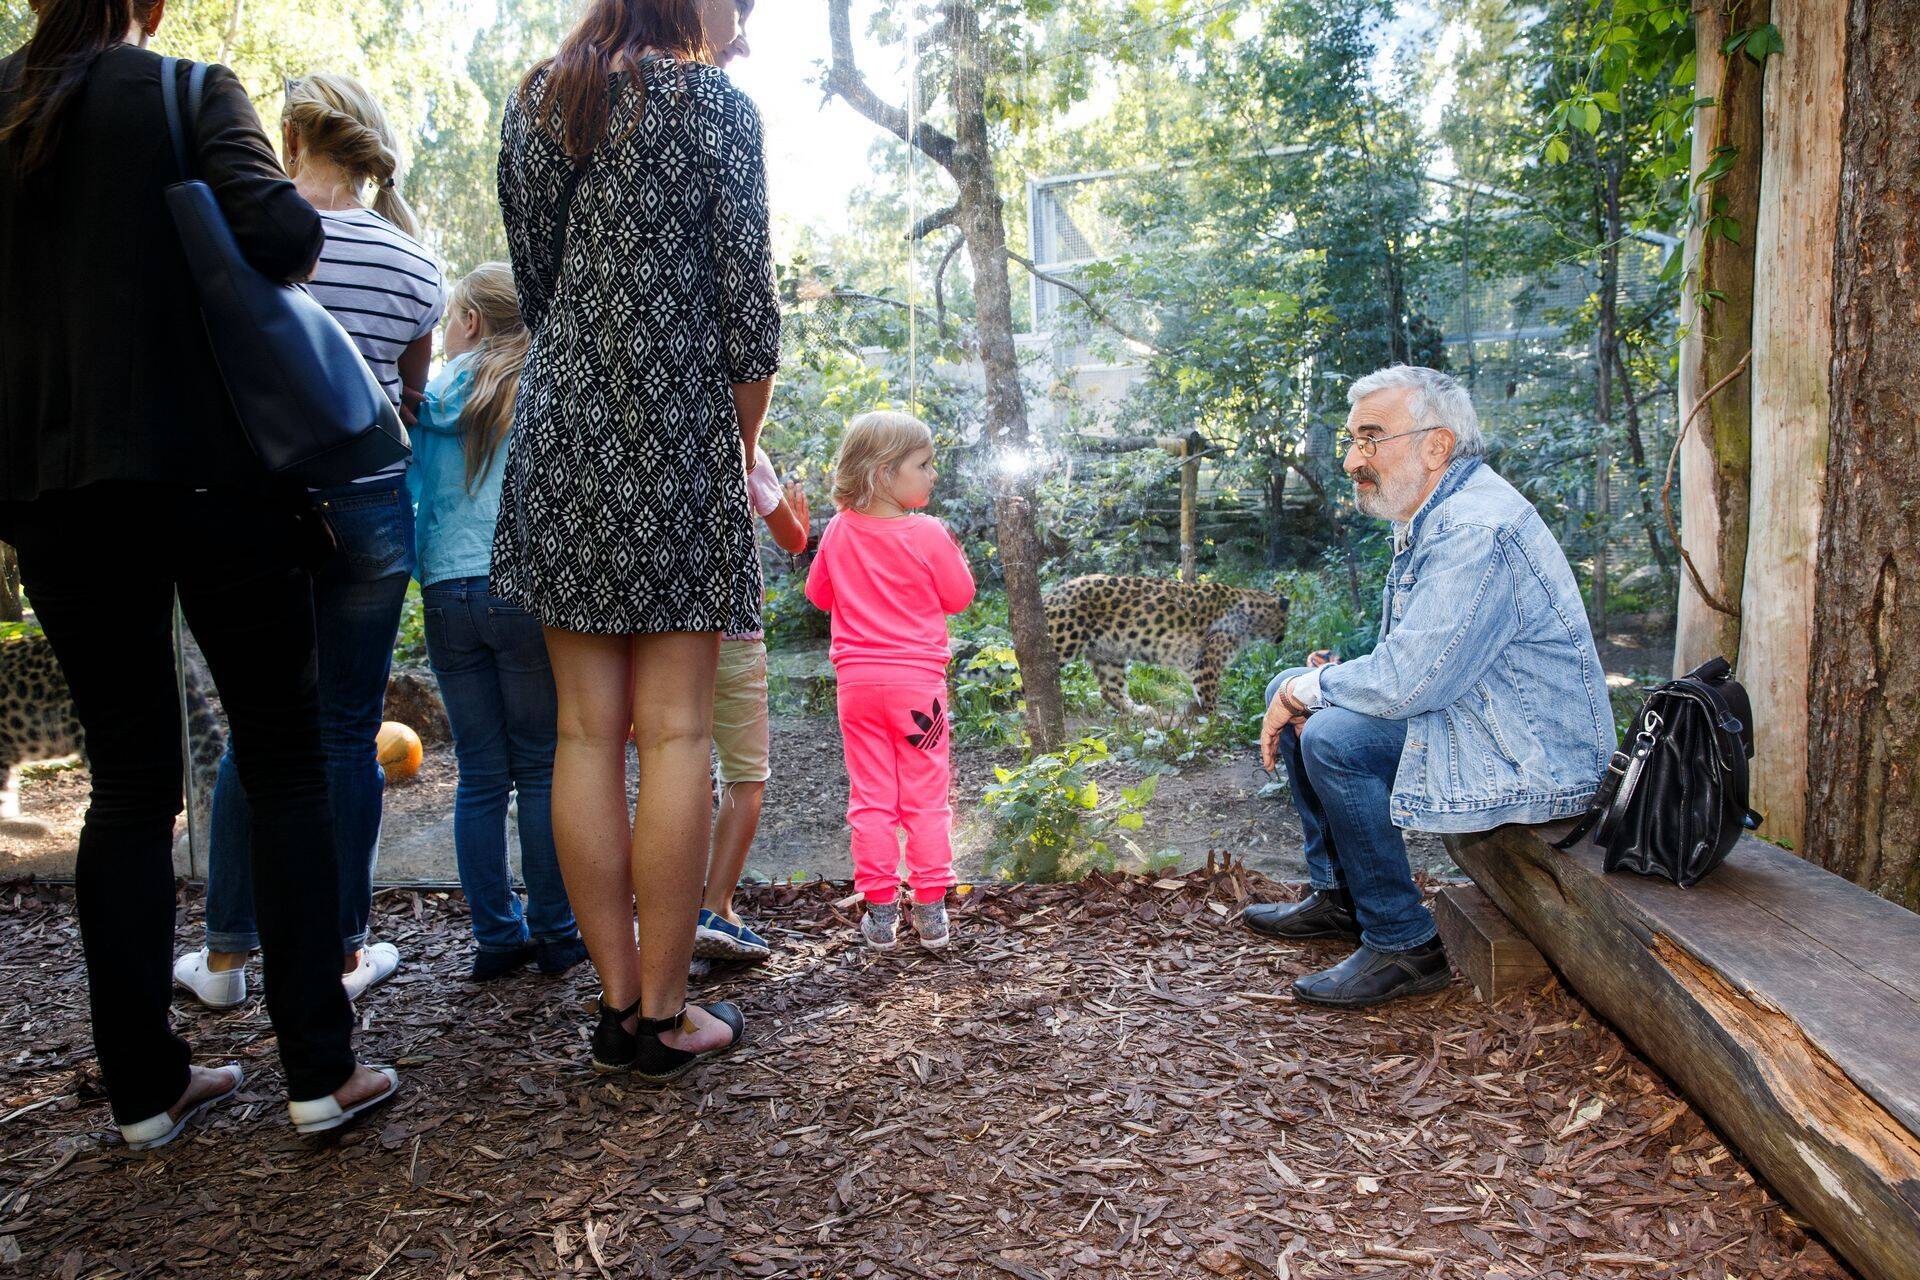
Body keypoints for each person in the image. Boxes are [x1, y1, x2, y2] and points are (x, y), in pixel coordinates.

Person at [0, 0, 395, 1146]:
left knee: (126, 786)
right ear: (151, 2)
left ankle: (143, 1089)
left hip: (54, 490)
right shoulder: (184, 92)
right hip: (218, 480)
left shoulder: (9, 106)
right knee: (281, 757)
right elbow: (286, 239)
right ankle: (319, 1069)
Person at [491, 0, 778, 1078]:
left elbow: (539, 287)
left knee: (581, 735)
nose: (737, 14)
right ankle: (664, 1013)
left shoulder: (540, 99)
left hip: (566, 435)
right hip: (680, 438)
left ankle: (615, 1008)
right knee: (674, 736)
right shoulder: (718, 109)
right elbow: (750, 325)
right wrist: (724, 447)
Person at [174, 72, 446, 1010]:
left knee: (262, 722)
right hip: (367, 511)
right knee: (345, 729)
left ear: (288, 137)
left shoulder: (241, 235)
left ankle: (223, 959)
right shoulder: (418, 269)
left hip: (255, 502)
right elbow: (410, 406)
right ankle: (340, 950)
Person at [1244, 365, 1613, 1007]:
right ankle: (1343, 899)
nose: (1355, 458)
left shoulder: (1475, 529)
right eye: (1353, 439)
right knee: (1296, 685)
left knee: (1330, 732)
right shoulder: (1434, 511)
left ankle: (1404, 943)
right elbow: (1421, 661)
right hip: (1480, 715)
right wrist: (1313, 681)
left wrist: (1314, 690)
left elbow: (1408, 682)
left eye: (1371, 438)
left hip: (1534, 759)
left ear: (1436, 445)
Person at [409, 262, 587, 980]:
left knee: (481, 776)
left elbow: (417, 490)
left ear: (472, 322)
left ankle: (494, 939)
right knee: (542, 768)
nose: (447, 330)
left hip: (447, 594)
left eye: (451, 318)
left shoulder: (433, 394)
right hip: (521, 588)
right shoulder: (541, 384)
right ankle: (556, 932)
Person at [805, 413, 975, 950]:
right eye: (923, 465)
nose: (933, 475)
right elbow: (959, 597)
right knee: (924, 795)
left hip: (857, 688)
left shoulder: (836, 529)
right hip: (916, 691)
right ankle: (930, 908)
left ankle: (880, 912)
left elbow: (818, 596)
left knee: (872, 797)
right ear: (883, 473)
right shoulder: (927, 533)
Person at [696, 446, 810, 963]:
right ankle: (716, 904)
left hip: (658, 638)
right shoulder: (742, 447)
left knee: (676, 763)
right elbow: (791, 538)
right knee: (744, 772)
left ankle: (668, 907)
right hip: (734, 633)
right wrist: (799, 521)